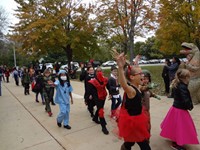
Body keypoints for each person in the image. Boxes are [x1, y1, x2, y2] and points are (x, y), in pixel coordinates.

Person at [114, 51, 151, 150]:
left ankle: (125, 147)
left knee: (130, 142)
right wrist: (120, 67)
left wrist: (136, 61)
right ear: (132, 77)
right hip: (133, 123)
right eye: (141, 74)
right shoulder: (131, 91)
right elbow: (124, 84)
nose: (143, 75)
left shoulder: (137, 85)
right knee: (143, 145)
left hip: (138, 118)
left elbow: (134, 68)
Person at [160, 69, 199, 150]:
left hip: (176, 108)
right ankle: (177, 144)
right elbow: (185, 99)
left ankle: (176, 140)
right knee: (181, 127)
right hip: (180, 110)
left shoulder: (177, 84)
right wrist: (189, 106)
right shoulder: (182, 87)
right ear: (185, 78)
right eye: (189, 76)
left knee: (176, 126)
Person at [87, 67, 109, 135]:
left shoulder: (105, 79)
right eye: (97, 71)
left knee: (100, 108)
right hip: (97, 98)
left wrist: (111, 93)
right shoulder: (92, 81)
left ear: (102, 72)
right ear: (95, 73)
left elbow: (108, 87)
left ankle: (95, 118)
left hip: (103, 96)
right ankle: (103, 127)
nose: (99, 73)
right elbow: (89, 90)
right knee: (100, 110)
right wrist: (88, 97)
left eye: (100, 71)